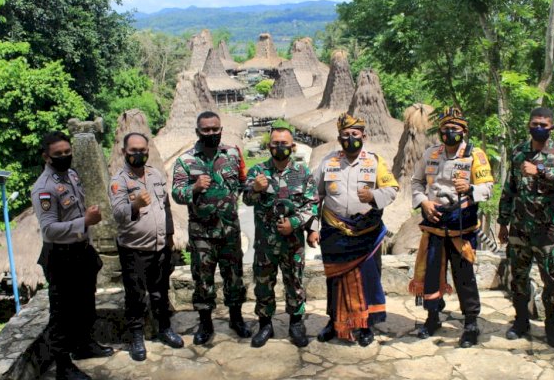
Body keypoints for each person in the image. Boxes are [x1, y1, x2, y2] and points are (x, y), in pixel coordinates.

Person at [308, 113, 399, 346]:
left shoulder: (375, 162)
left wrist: (373, 195)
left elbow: (391, 189)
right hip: (334, 230)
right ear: (339, 138)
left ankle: (365, 324)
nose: (350, 138)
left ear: (364, 136)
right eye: (345, 135)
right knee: (334, 279)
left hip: (366, 233)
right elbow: (314, 196)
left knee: (368, 278)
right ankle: (333, 320)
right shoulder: (328, 162)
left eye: (355, 134)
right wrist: (312, 227)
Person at [32, 131, 113, 380]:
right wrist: (84, 221)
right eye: (59, 154)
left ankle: (84, 345)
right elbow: (49, 229)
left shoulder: (72, 175)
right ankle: (63, 366)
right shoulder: (44, 189)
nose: (65, 157)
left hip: (81, 250)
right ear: (46, 157)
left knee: (85, 303)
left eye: (67, 152)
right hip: (61, 256)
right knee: (63, 312)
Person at [409, 108, 494, 347]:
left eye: (455, 129)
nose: (449, 133)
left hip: (461, 225)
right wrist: (423, 202)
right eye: (445, 129)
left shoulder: (475, 155)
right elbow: (416, 182)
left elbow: (487, 187)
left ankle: (470, 323)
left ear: (464, 131)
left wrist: (469, 188)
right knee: (431, 273)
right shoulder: (430, 153)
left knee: (464, 275)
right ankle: (432, 316)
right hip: (434, 224)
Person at [498, 107, 554, 348]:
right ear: (529, 126)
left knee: (551, 282)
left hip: (547, 233)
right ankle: (521, 320)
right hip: (519, 230)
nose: (539, 128)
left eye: (544, 124)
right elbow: (509, 189)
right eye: (535, 124)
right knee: (518, 279)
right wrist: (503, 222)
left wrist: (540, 171)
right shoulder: (518, 152)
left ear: (552, 127)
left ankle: (551, 326)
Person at [171, 111, 251, 345]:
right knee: (203, 280)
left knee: (234, 278)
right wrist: (194, 188)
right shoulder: (185, 161)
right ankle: (205, 324)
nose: (211, 133)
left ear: (221, 129)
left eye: (215, 129)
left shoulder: (233, 154)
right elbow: (176, 194)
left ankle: (236, 319)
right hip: (201, 234)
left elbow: (243, 183)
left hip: (229, 232)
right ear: (198, 132)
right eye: (206, 130)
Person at [242, 120, 318, 348]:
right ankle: (265, 324)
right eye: (275, 144)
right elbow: (245, 199)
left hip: (293, 243)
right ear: (269, 147)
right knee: (264, 285)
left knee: (294, 284)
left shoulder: (303, 172)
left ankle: (296, 323)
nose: (279, 147)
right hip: (265, 244)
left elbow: (312, 204)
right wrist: (255, 189)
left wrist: (294, 223)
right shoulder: (258, 172)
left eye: (284, 143)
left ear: (293, 147)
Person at [110, 133, 184, 361]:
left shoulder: (155, 175)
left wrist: (170, 238)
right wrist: (135, 204)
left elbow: (166, 207)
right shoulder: (118, 180)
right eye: (133, 151)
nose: (139, 154)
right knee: (136, 296)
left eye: (142, 150)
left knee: (160, 292)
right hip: (134, 249)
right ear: (125, 152)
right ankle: (136, 337)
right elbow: (118, 214)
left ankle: (164, 329)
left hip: (160, 246)